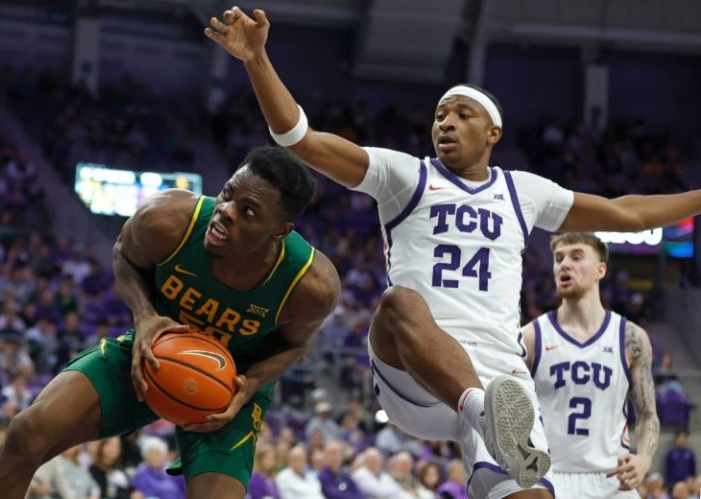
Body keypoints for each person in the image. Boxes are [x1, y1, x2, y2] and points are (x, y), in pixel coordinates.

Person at [205, 6, 701, 497]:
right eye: (440, 115)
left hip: (502, 375)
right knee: (399, 301)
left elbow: (626, 213)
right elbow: (302, 141)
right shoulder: (405, 175)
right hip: (417, 370)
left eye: (463, 115)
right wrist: (256, 60)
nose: (446, 123)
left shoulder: (524, 191)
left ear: (493, 133)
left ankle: (491, 422)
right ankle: (481, 414)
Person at [0, 146, 341, 499]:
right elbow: (124, 255)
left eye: (248, 212)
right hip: (152, 350)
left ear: (280, 231)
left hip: (230, 388)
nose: (226, 211)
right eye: (227, 194)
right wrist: (145, 315)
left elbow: (294, 344)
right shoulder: (169, 219)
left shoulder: (310, 286)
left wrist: (251, 385)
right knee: (26, 433)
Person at [521, 233, 659, 498]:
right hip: (550, 477)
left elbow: (647, 414)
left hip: (613, 478)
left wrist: (644, 458)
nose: (564, 265)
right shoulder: (531, 337)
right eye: (559, 258)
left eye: (576, 257)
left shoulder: (631, 338)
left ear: (601, 269)